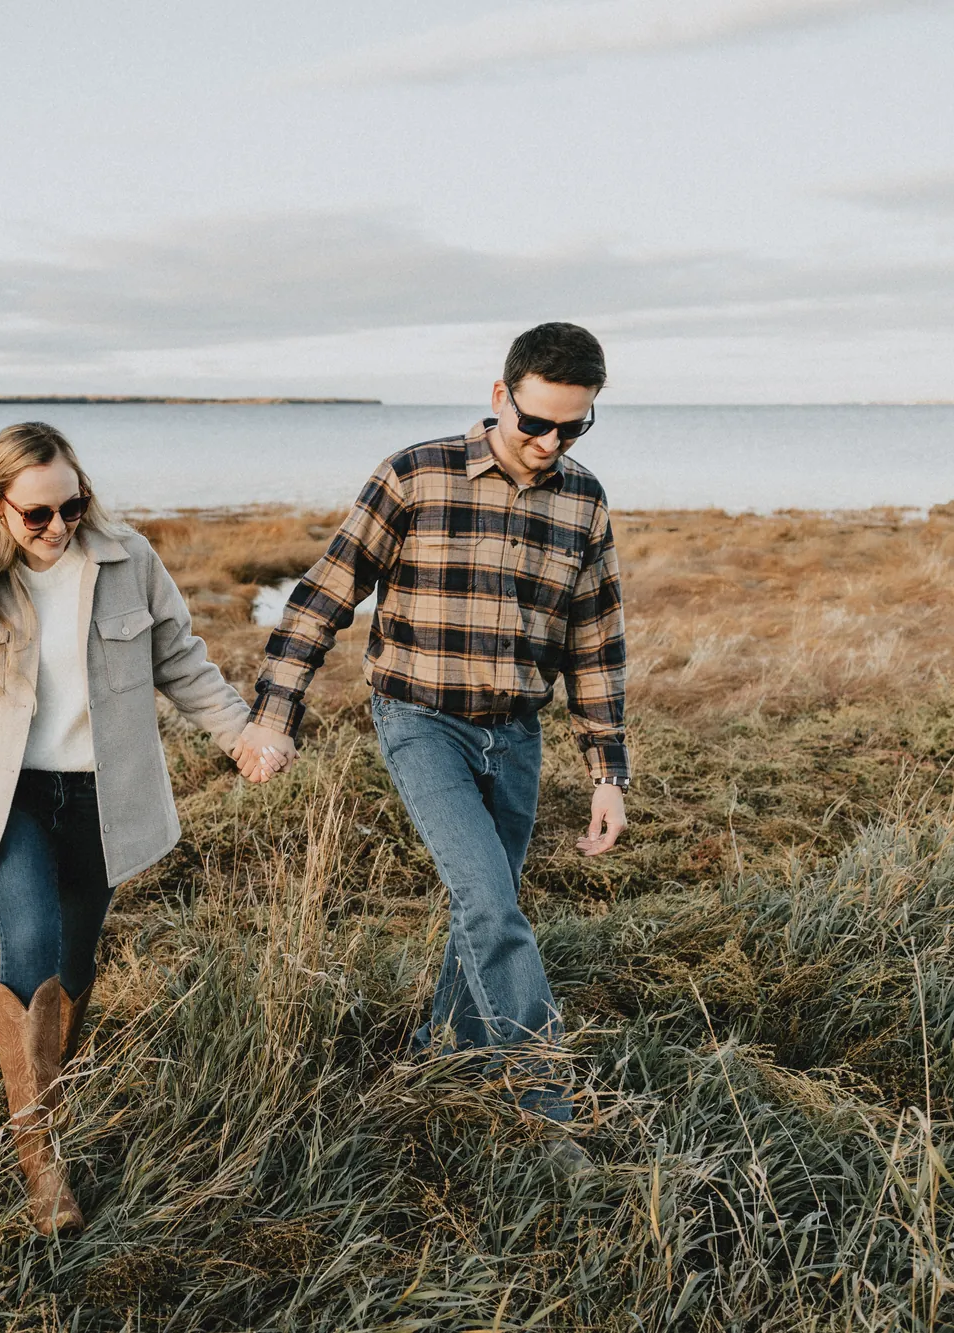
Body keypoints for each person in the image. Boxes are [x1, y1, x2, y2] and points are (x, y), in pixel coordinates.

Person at [234, 323, 629, 1163]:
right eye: (537, 423)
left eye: (574, 426)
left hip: (516, 735)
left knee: (480, 912)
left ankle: (434, 1059)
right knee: (492, 903)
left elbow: (593, 644)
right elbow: (323, 597)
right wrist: (274, 714)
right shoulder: (415, 475)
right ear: (500, 397)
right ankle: (545, 1104)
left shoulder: (584, 501)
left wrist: (607, 772)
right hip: (420, 722)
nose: (550, 443)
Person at [0, 422, 267, 1236]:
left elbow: (183, 661)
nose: (58, 527)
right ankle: (39, 1160)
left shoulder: (129, 561)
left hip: (103, 798)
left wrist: (239, 733)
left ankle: (49, 1090)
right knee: (29, 942)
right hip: (11, 797)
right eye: (36, 515)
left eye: (71, 505)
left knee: (76, 959)